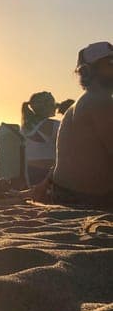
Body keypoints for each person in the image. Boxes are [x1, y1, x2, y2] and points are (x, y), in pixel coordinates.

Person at [33, 42, 113, 207]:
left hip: (65, 192)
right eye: (110, 63)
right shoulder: (101, 101)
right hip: (86, 198)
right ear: (90, 71)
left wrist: (46, 182)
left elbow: (74, 154)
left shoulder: (83, 102)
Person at [21, 91, 72, 186]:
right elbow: (75, 136)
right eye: (53, 103)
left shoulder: (28, 126)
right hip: (45, 176)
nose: (55, 105)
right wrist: (70, 112)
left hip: (31, 175)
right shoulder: (50, 124)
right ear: (47, 107)